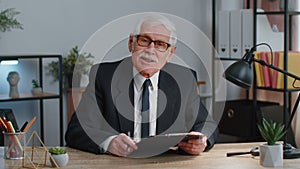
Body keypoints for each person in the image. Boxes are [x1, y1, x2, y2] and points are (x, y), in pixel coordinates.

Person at [65, 14, 218, 157]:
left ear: (170, 53)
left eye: (160, 45)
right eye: (144, 40)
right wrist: (109, 143)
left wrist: (201, 141)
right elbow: (76, 131)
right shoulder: (104, 76)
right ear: (131, 43)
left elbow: (207, 125)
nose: (150, 50)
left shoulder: (183, 79)